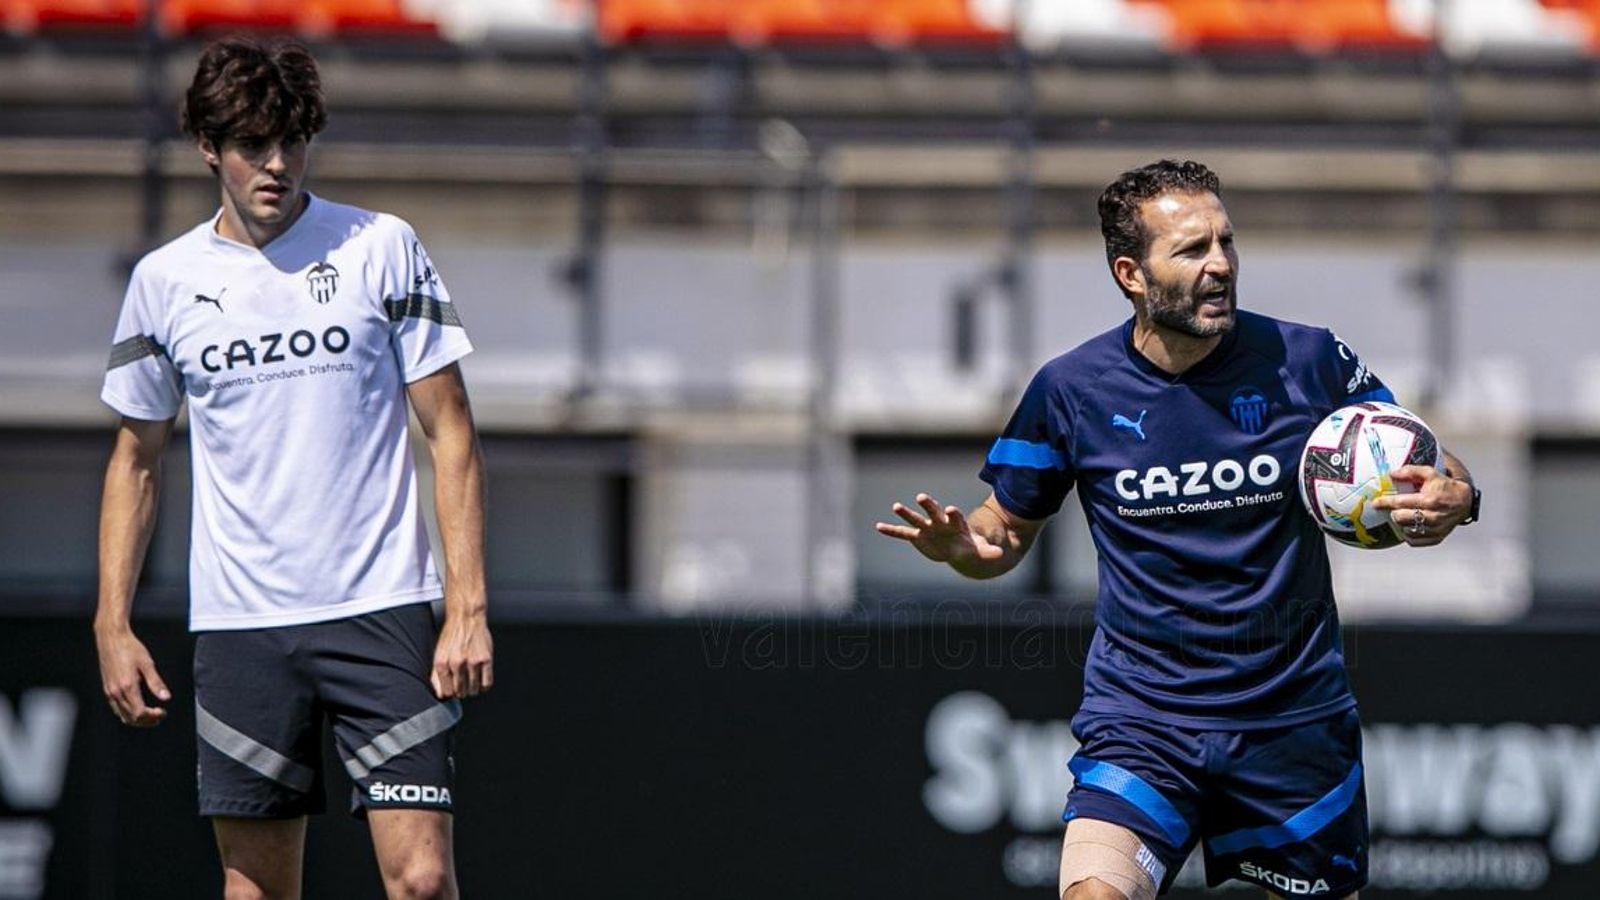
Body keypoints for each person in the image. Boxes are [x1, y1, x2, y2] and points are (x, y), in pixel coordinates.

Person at [877, 160, 1480, 900]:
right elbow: (1002, 531)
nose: (1220, 265)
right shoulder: (1070, 391)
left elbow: (1414, 451)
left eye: (1226, 242)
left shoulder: (1307, 360)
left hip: (1292, 724)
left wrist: (1459, 492)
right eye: (1192, 250)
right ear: (1131, 273)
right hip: (1144, 722)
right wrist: (967, 548)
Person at [94, 35, 492, 900]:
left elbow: (451, 431)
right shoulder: (164, 282)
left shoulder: (381, 246)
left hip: (382, 614)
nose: (274, 165)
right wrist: (111, 623)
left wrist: (465, 607)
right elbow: (135, 461)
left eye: (292, 143)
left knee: (422, 879)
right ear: (209, 147)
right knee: (259, 894)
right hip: (244, 628)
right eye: (250, 146)